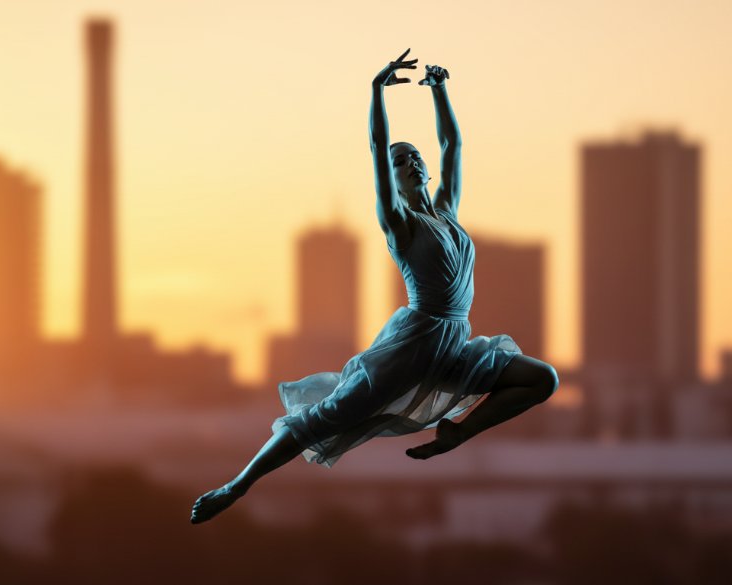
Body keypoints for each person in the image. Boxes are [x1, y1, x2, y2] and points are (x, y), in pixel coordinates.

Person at [190, 49, 558, 524]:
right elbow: (376, 145)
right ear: (390, 177)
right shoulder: (398, 222)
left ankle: (457, 434)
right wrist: (376, 91)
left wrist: (439, 90)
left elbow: (453, 148)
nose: (414, 163)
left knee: (541, 379)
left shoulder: (445, 212)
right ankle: (235, 487)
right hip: (414, 344)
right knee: (319, 421)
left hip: (453, 343)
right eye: (402, 161)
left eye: (415, 157)